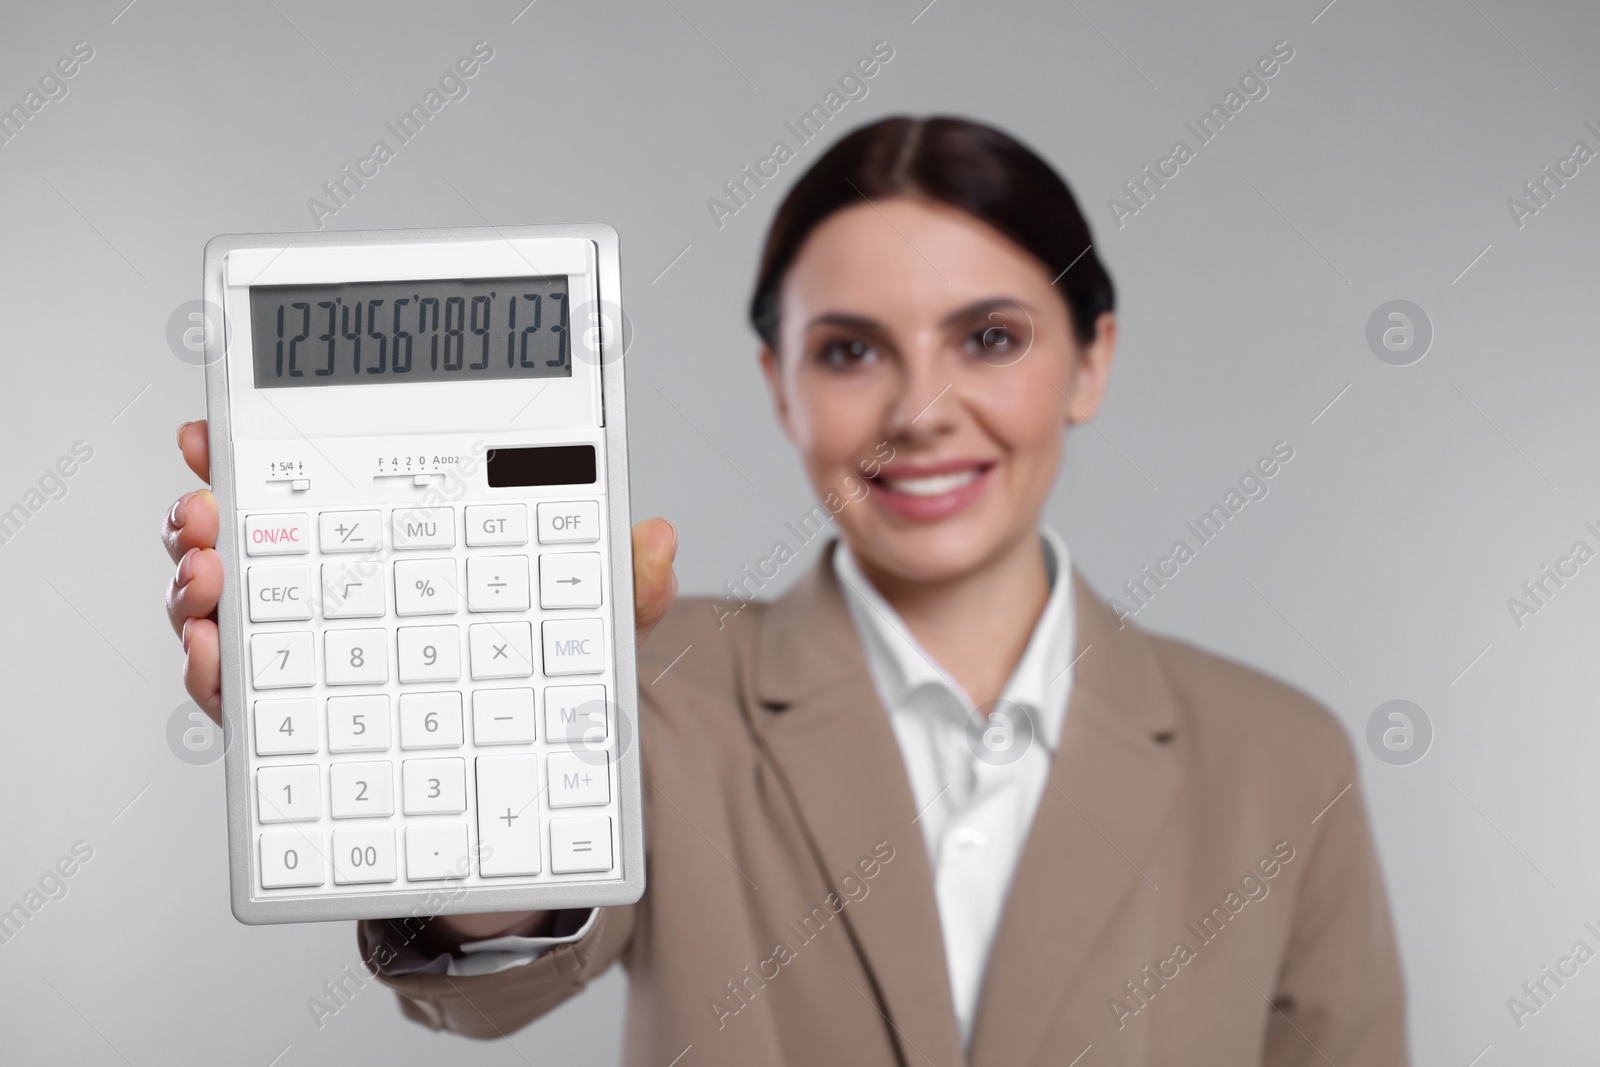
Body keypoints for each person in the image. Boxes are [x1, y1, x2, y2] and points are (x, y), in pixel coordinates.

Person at [162, 116, 1406, 1065]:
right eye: (851, 349)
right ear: (778, 382)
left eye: (989, 337)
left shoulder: (1282, 761)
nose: (921, 411)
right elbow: (492, 973)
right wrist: (427, 737)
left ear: (1091, 360)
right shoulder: (649, 689)